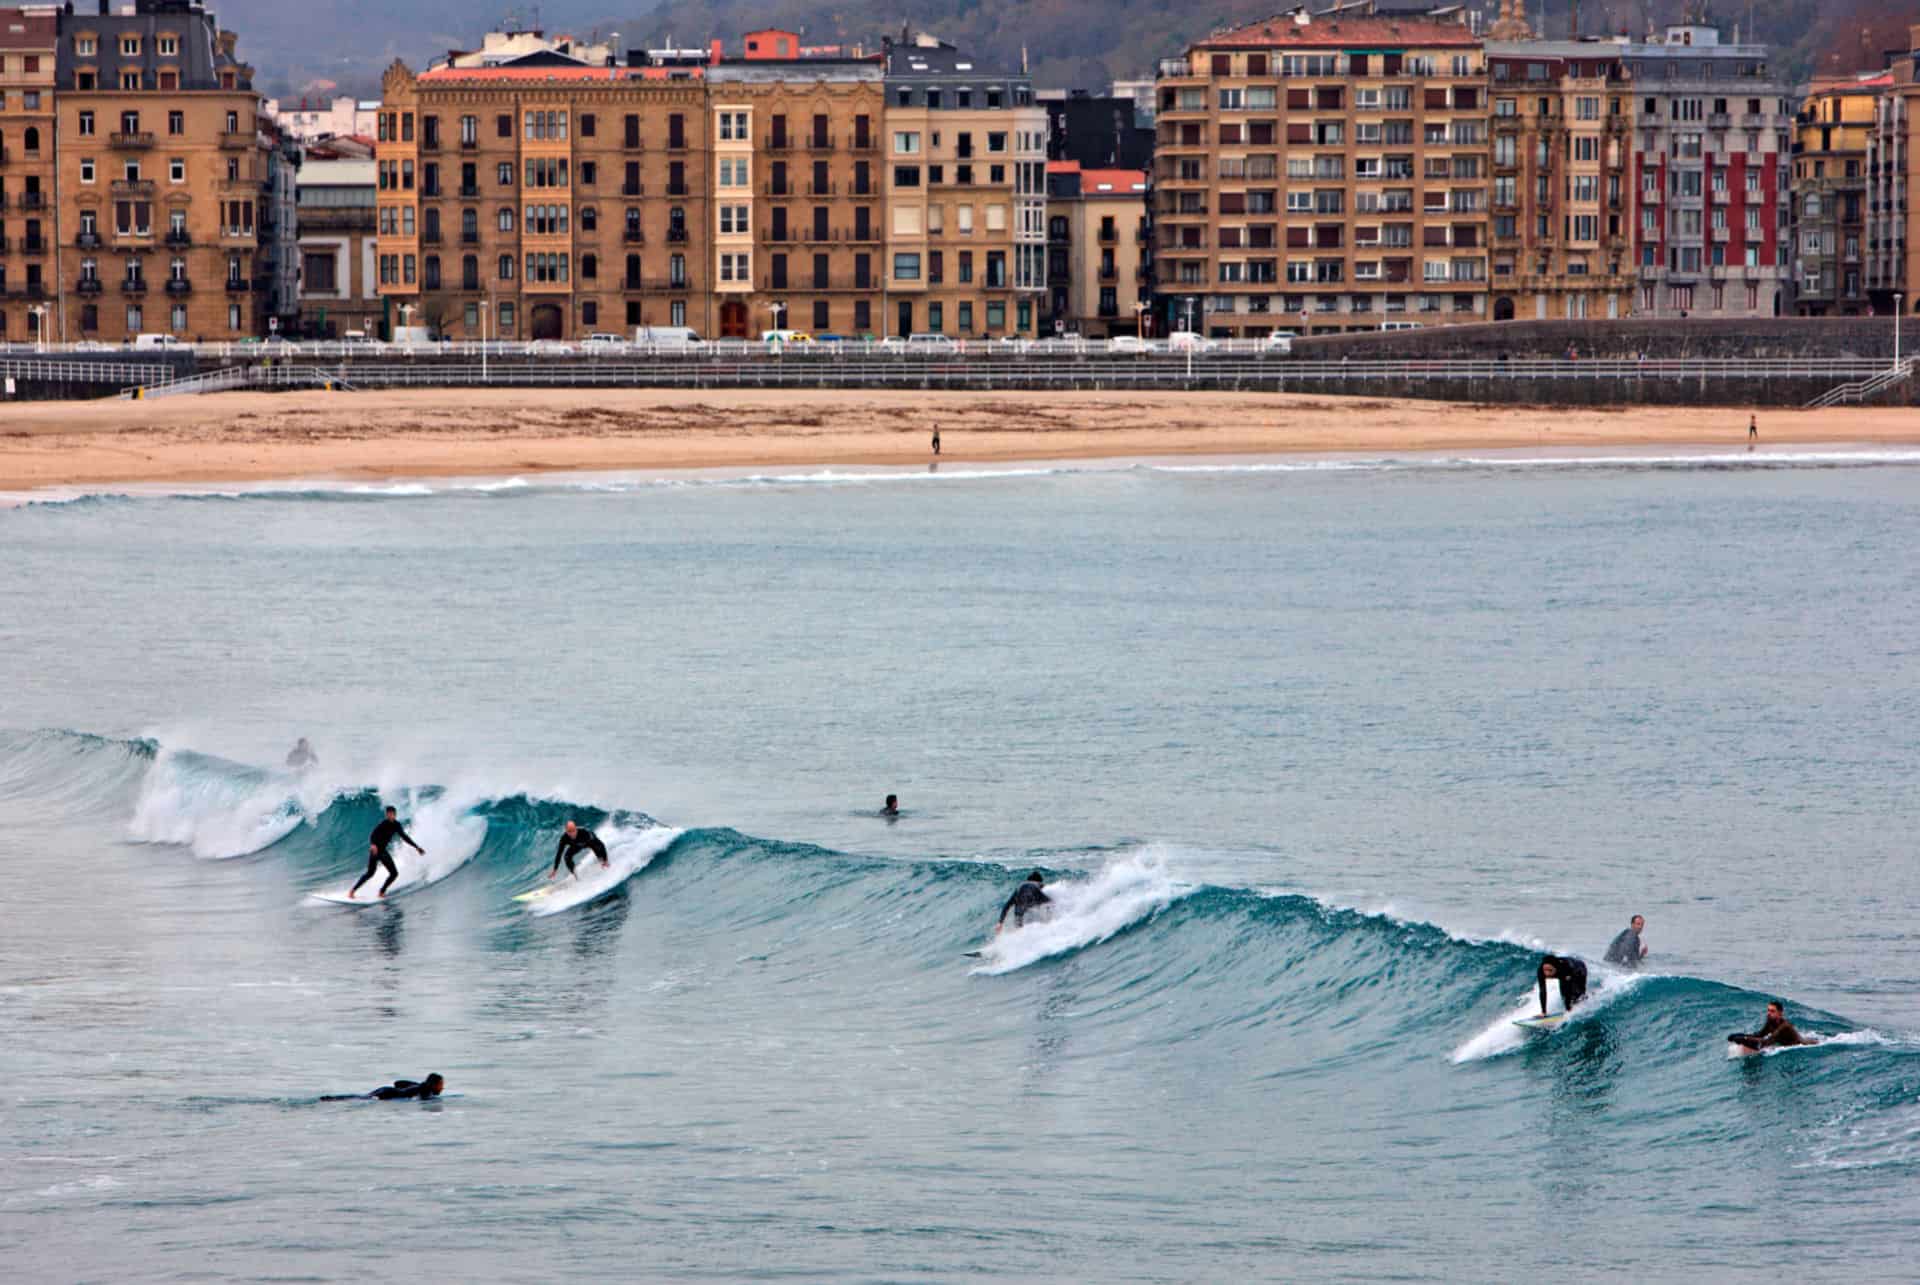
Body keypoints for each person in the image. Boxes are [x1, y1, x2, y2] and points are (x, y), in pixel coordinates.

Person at [348, 806, 425, 900]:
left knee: (393, 874)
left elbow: (405, 837)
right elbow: (373, 834)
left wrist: (416, 847)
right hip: (376, 850)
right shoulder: (383, 824)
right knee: (371, 873)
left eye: (391, 814)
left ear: (395, 814)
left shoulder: (396, 825)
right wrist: (373, 845)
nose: (389, 816)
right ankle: (352, 891)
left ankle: (381, 892)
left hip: (382, 851)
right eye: (388, 814)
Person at [1728, 1001, 1811, 1051]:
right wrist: (1739, 1035)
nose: (1769, 1013)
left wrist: (1743, 1039)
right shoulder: (1770, 1021)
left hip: (1804, 1046)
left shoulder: (1785, 1026)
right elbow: (1759, 1035)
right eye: (1768, 1010)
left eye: (1772, 1011)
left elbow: (1766, 1042)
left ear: (1780, 1013)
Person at [323, 1073, 445, 1102]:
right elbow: (425, 1099)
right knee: (361, 1099)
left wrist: (420, 1085)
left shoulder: (420, 1086)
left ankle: (332, 1098)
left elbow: (398, 1083)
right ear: (434, 1084)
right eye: (441, 1085)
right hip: (389, 1094)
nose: (442, 1088)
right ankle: (332, 1099)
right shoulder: (426, 1091)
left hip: (386, 1090)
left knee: (361, 1097)